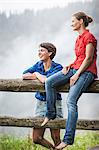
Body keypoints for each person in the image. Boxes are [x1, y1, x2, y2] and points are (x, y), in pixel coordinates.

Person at [41, 12, 97, 149]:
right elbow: (80, 58)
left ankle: (67, 139)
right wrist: (70, 65)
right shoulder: (78, 38)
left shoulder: (89, 37)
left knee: (71, 101)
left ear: (81, 21)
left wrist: (76, 74)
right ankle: (50, 113)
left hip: (87, 72)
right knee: (49, 82)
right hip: (75, 68)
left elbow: (89, 59)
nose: (71, 23)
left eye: (73, 21)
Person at [22, 42, 63, 149]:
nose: (39, 53)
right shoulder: (38, 65)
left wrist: (36, 74)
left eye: (42, 50)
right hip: (40, 103)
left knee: (56, 137)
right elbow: (24, 75)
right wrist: (36, 74)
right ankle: (53, 149)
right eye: (39, 50)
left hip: (54, 103)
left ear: (50, 53)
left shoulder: (58, 67)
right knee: (36, 138)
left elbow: (46, 80)